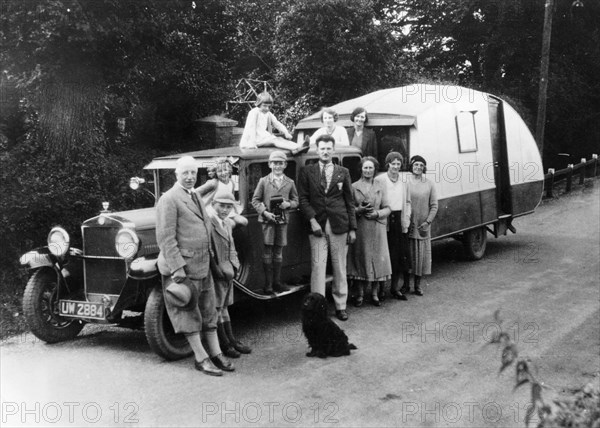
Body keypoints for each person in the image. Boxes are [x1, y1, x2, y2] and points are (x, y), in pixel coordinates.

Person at [156, 155, 233, 376]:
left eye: (193, 173)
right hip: (184, 270)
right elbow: (166, 238)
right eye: (185, 173)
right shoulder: (169, 199)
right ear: (176, 174)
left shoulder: (195, 196)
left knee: (209, 311)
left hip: (203, 264)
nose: (190, 177)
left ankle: (216, 354)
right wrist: (177, 269)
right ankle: (201, 358)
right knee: (188, 314)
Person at [298, 135, 357, 321]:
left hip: (339, 224)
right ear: (317, 150)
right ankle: (318, 308)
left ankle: (340, 306)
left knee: (339, 266)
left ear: (333, 150)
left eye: (328, 148)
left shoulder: (343, 171)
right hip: (317, 225)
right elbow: (303, 199)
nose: (325, 151)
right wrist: (312, 220)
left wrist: (353, 228)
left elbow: (350, 201)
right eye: (322, 148)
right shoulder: (307, 172)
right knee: (318, 266)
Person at [208, 190, 252, 358]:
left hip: (228, 271)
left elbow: (232, 247)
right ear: (213, 205)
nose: (225, 210)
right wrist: (215, 269)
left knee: (225, 306)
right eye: (221, 206)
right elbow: (209, 249)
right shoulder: (209, 223)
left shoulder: (226, 223)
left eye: (228, 207)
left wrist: (235, 266)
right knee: (218, 308)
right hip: (217, 271)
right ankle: (224, 343)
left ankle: (232, 339)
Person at [251, 150, 299, 295]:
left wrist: (288, 205)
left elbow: (296, 201)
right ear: (269, 164)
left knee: (278, 251)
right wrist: (265, 212)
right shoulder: (263, 181)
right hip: (268, 221)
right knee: (267, 250)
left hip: (282, 221)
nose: (277, 166)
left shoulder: (290, 183)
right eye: (274, 163)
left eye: (280, 163)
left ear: (285, 165)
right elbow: (255, 200)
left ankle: (277, 282)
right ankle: (268, 284)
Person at [347, 157, 392, 307]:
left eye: (370, 168)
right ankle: (360, 294)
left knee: (377, 260)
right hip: (361, 228)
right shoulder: (353, 187)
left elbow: (388, 207)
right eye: (365, 168)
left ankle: (374, 294)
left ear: (375, 169)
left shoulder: (381, 185)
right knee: (361, 259)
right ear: (361, 169)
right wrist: (358, 210)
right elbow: (348, 209)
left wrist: (377, 214)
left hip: (377, 228)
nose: (367, 171)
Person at [374, 152, 411, 301]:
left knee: (399, 257)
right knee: (384, 256)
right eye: (393, 163)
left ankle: (395, 289)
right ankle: (381, 290)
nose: (395, 166)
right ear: (388, 164)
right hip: (385, 220)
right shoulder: (379, 180)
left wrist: (406, 220)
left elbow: (407, 202)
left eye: (398, 164)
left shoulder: (404, 181)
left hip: (399, 220)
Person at [406, 155, 438, 296]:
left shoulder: (429, 184)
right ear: (411, 166)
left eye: (421, 165)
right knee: (408, 256)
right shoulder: (405, 182)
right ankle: (406, 285)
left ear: (424, 167)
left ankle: (417, 285)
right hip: (408, 225)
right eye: (415, 164)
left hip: (422, 227)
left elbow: (434, 205)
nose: (418, 167)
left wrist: (427, 222)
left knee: (420, 257)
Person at [239, 92, 309, 155]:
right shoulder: (254, 112)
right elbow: (251, 127)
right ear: (259, 104)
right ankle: (295, 148)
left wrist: (286, 132)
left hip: (261, 137)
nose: (267, 108)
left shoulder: (268, 114)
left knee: (280, 139)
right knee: (274, 140)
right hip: (251, 140)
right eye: (264, 106)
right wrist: (252, 143)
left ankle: (299, 147)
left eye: (269, 106)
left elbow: (277, 123)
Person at [197, 157, 248, 227]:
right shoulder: (214, 183)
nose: (223, 173)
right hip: (214, 211)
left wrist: (236, 210)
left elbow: (231, 199)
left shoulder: (231, 183)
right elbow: (196, 192)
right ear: (215, 173)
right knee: (231, 224)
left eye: (225, 170)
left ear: (230, 170)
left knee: (244, 221)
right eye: (219, 171)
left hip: (226, 210)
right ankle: (223, 236)